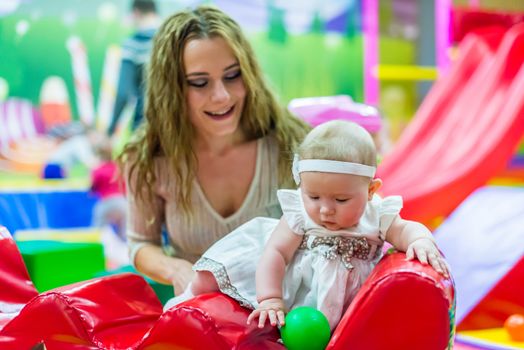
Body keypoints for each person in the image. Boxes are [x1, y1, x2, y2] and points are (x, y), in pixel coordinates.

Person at [165, 120, 450, 331]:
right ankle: (186, 304)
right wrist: (271, 299)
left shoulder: (376, 216)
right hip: (290, 286)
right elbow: (275, 253)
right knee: (214, 276)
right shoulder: (301, 215)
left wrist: (420, 240)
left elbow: (406, 229)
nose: (325, 209)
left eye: (341, 199)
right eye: (313, 196)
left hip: (340, 305)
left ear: (371, 190)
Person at [118, 5, 310, 296]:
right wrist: (177, 269)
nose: (221, 96)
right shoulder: (147, 158)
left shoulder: (289, 141)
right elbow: (142, 243)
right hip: (202, 316)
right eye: (199, 83)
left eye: (233, 76)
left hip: (284, 315)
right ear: (171, 89)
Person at [107, 0, 160, 136]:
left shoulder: (133, 43)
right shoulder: (172, 40)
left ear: (136, 13)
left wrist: (110, 130)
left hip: (144, 125)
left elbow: (123, 93)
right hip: (175, 124)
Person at [90, 136, 127, 240]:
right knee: (124, 235)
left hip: (106, 202)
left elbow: (93, 189)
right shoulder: (120, 168)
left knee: (98, 232)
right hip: (123, 202)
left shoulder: (97, 170)